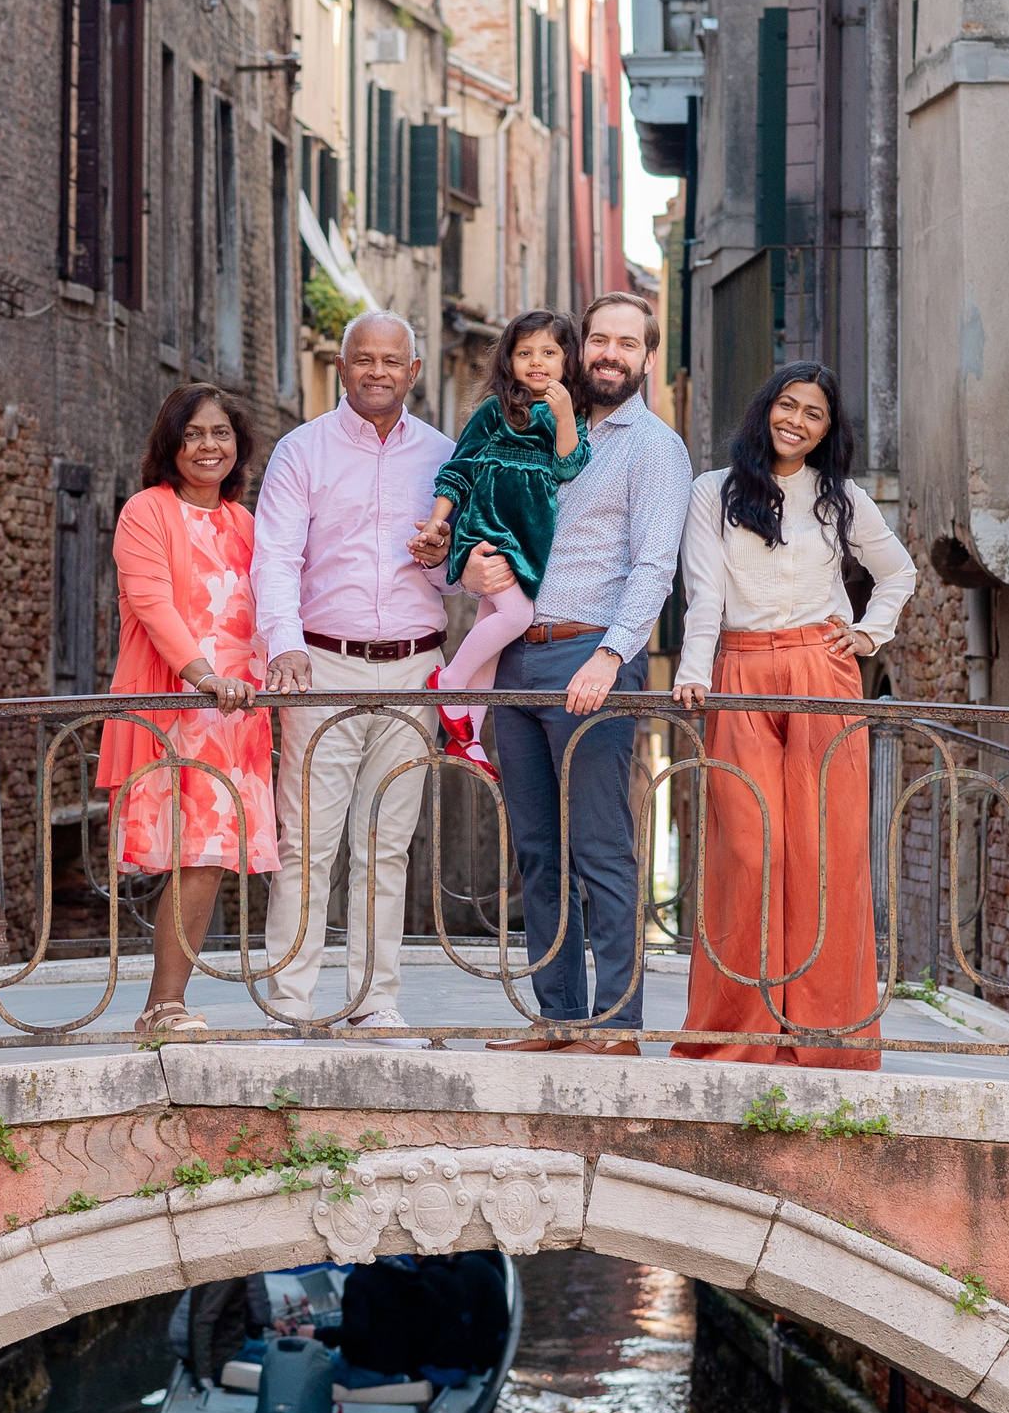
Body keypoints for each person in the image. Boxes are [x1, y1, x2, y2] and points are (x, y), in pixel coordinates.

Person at [443, 293, 693, 1057]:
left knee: (600, 845)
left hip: (590, 656)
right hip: (514, 654)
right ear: (580, 348)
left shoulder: (654, 447)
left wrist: (613, 657)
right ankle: (557, 1016)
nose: (611, 352)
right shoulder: (535, 430)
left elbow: (653, 567)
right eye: (600, 339)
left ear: (648, 356)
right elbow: (493, 525)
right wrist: (467, 564)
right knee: (537, 849)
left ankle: (615, 1025)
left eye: (628, 341)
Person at [672, 362, 916, 1067]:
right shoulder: (712, 493)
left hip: (821, 672)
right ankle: (741, 1032)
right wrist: (694, 672)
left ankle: (824, 1034)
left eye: (814, 414)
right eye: (789, 405)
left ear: (828, 430)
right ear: (766, 408)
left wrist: (870, 632)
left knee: (823, 851)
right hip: (742, 670)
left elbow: (897, 571)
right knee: (749, 852)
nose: (798, 421)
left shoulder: (843, 500)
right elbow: (704, 592)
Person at [251, 311, 451, 1039]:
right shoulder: (301, 451)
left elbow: (466, 573)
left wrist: (445, 561)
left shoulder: (444, 455)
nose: (377, 372)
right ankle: (290, 1005)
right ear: (341, 367)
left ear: (413, 371)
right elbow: (272, 556)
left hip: (414, 666)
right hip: (321, 665)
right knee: (307, 840)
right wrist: (282, 643)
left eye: (390, 361)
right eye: (363, 359)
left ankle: (374, 1000)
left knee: (386, 841)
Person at [95, 383, 276, 1038]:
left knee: (213, 858)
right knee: (193, 854)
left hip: (238, 717)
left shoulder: (245, 524)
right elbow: (152, 603)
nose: (208, 446)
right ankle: (162, 1006)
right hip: (178, 709)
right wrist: (203, 677)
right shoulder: (146, 512)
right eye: (194, 434)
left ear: (238, 445)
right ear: (171, 445)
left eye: (220, 434)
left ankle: (167, 1002)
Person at [419, 310, 591, 778]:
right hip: (488, 531)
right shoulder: (496, 409)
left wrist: (561, 414)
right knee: (518, 616)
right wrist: (438, 523)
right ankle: (450, 682)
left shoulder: (568, 415)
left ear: (567, 360)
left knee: (492, 634)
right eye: (525, 353)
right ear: (509, 361)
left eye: (550, 353)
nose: (537, 362)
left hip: (528, 541)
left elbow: (569, 466)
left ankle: (467, 738)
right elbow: (459, 468)